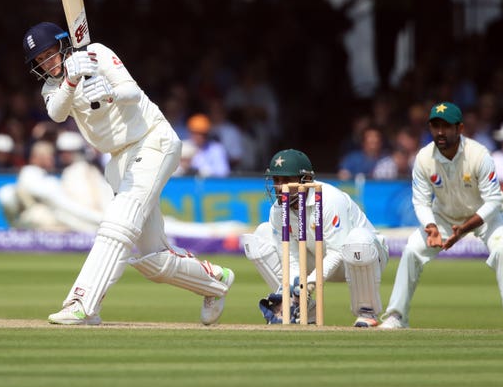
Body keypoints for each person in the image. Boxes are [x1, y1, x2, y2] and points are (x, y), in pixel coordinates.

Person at [22, 21, 234, 326]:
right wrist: (71, 79)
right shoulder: (53, 86)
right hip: (120, 159)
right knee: (154, 259)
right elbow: (56, 112)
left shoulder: (95, 53)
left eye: (49, 54)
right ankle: (216, 281)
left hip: (151, 140)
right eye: (40, 60)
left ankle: (83, 303)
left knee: (118, 223)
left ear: (63, 44)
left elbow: (132, 92)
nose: (47, 62)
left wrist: (108, 92)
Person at [379, 102, 503, 331]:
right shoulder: (423, 158)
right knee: (412, 250)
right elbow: (420, 201)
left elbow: (493, 200)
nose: (440, 132)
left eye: (446, 127)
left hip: (483, 217)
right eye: (435, 126)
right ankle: (396, 316)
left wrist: (465, 228)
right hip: (444, 218)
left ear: (459, 128)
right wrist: (430, 227)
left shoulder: (479, 155)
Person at [241, 149, 389, 327]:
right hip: (318, 259)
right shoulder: (277, 211)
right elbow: (292, 258)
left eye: (287, 180)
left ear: (306, 180)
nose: (280, 187)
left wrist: (310, 282)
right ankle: (303, 308)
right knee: (261, 235)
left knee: (357, 240)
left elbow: (337, 250)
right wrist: (297, 288)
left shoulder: (329, 199)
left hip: (364, 258)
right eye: (276, 180)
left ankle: (367, 310)